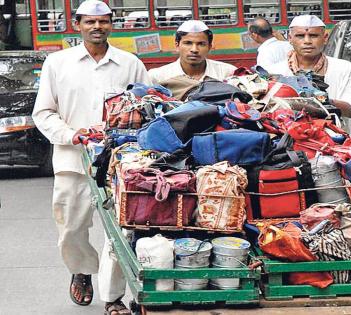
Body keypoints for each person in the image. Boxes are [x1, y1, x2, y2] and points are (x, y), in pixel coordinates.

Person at [32, 1, 151, 314]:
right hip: (73, 161)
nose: (97, 27)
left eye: (103, 22)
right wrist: (73, 134)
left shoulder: (130, 63)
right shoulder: (57, 63)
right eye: (90, 22)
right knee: (71, 229)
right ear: (77, 24)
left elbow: (148, 107)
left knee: (121, 232)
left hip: (122, 165)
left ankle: (112, 297)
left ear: (111, 24)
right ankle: (82, 270)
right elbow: (43, 112)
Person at [265, 15, 351, 135]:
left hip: (336, 143)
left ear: (325, 38)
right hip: (289, 144)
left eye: (313, 35)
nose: (307, 41)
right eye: (300, 36)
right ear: (290, 38)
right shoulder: (274, 72)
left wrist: (321, 101)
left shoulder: (344, 68)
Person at [148, 20, 237, 100]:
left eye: (201, 44)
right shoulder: (157, 77)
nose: (194, 49)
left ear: (210, 47)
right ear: (177, 45)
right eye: (188, 43)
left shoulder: (228, 73)